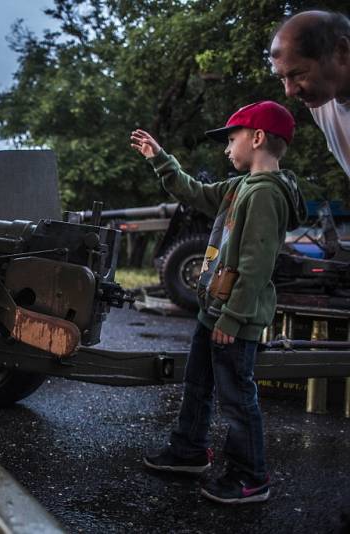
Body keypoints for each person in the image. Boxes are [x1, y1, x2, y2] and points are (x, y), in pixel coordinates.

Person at [130, 101, 306, 504]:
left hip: (233, 319)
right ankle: (188, 450)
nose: (227, 149)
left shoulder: (265, 195)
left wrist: (233, 317)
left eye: (232, 139)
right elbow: (193, 192)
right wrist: (161, 160)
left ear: (257, 137)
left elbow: (256, 264)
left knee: (236, 396)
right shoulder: (239, 187)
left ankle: (250, 476)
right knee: (198, 383)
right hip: (215, 312)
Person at [270, 10, 350, 178]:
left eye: (299, 74)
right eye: (282, 78)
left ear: (341, 52)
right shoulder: (322, 103)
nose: (289, 91)